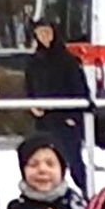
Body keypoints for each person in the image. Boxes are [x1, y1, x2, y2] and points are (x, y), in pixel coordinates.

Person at [24, 17, 89, 192]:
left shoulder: (68, 60)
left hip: (65, 120)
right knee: (46, 162)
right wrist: (32, 105)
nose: (44, 37)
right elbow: (29, 88)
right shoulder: (33, 62)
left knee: (74, 163)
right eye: (40, 33)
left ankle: (88, 196)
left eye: (47, 32)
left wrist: (73, 117)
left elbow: (81, 91)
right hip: (44, 121)